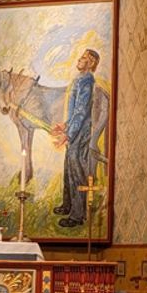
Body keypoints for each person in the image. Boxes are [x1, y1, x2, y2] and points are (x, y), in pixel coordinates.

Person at [51, 49, 100, 228]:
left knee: (76, 169)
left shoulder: (86, 81)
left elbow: (81, 111)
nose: (79, 59)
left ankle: (77, 215)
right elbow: (74, 111)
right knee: (68, 168)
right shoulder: (79, 80)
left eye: (84, 58)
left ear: (92, 63)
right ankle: (68, 205)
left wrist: (69, 134)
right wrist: (64, 125)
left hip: (81, 132)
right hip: (75, 128)